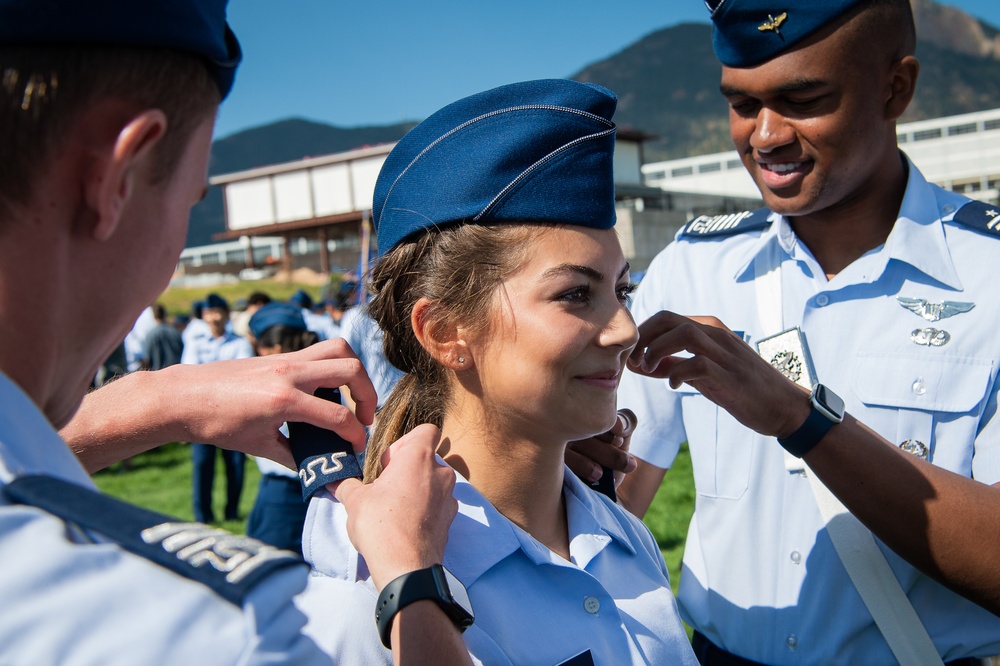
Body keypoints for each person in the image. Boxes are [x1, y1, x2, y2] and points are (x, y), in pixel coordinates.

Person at [0, 2, 471, 663]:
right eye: (190, 198)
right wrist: (411, 576)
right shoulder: (222, 632)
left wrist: (160, 401)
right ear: (113, 176)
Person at [614, 1, 1000, 664]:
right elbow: (614, 491)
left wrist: (802, 419)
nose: (765, 136)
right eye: (742, 103)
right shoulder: (695, 266)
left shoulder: (988, 274)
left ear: (895, 88)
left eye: (802, 98)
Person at [294, 79, 698, 665]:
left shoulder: (618, 532)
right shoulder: (367, 596)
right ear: (445, 332)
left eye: (621, 289)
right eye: (576, 293)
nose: (625, 329)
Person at [244, 302, 321, 554]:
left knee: (271, 569)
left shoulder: (273, 385)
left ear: (274, 348)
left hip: (285, 491)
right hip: (324, 483)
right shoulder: (326, 371)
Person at [181, 293, 254, 522]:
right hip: (202, 417)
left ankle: (231, 512)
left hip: (233, 416)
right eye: (208, 313)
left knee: (235, 466)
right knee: (202, 467)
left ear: (226, 314)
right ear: (203, 316)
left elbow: (243, 377)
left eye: (217, 312)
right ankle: (203, 516)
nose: (213, 318)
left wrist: (208, 378)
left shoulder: (239, 343)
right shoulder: (196, 343)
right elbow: (188, 377)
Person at [142, 302, 184, 371]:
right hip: (175, 371)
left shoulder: (151, 334)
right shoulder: (175, 331)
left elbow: (148, 357)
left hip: (157, 373)